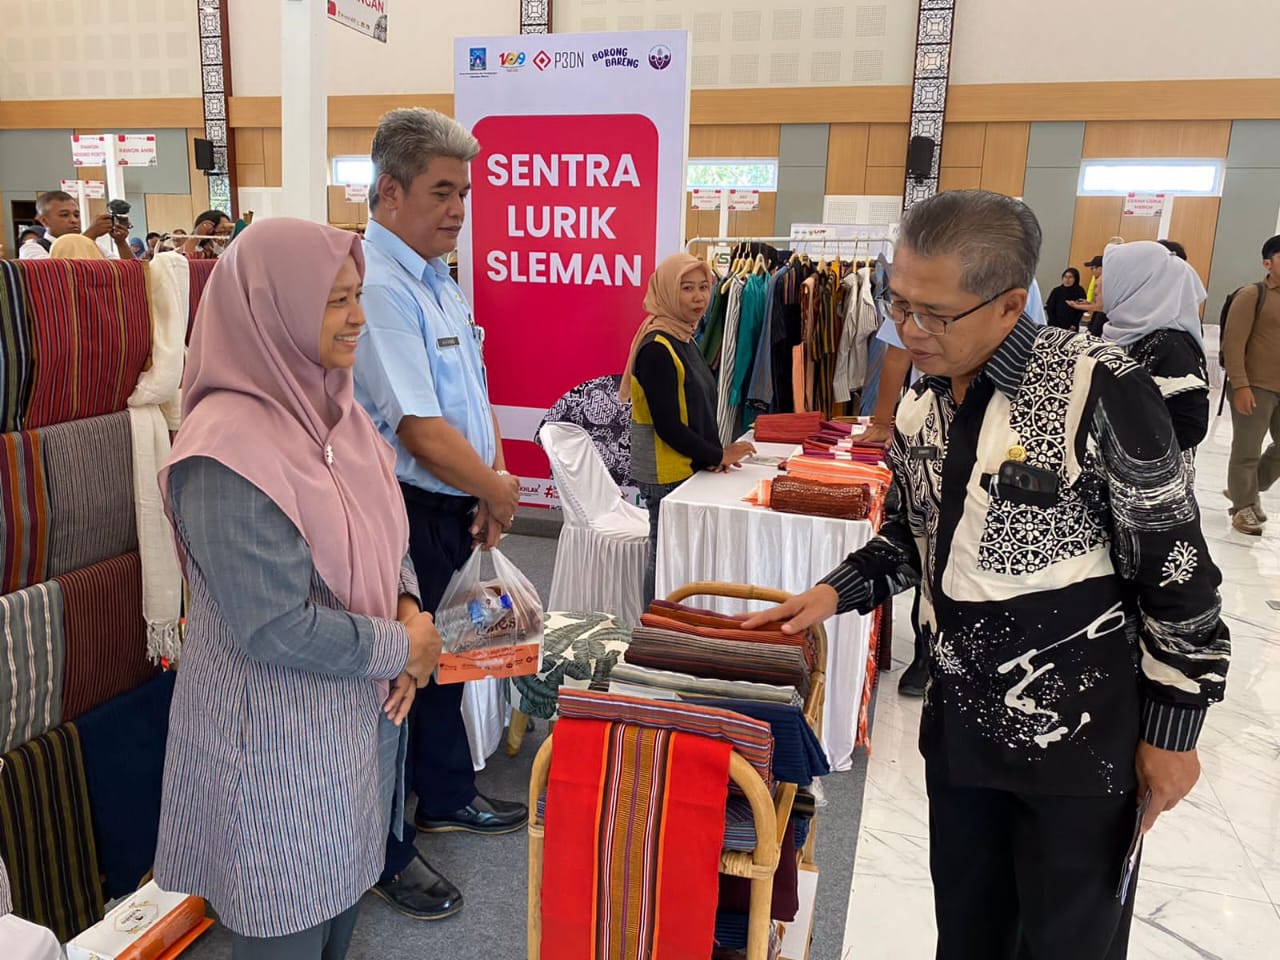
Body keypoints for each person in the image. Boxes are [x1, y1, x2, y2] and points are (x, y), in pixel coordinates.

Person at [743, 190, 1229, 960]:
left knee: (1067, 939)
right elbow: (913, 530)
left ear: (1009, 305)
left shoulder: (1096, 388)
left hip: (1080, 737)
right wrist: (836, 590)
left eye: (934, 313)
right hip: (961, 723)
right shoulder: (921, 401)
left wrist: (1175, 730)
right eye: (896, 301)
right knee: (967, 930)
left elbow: (1177, 571)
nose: (907, 330)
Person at [152, 218, 443, 960]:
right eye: (335, 301)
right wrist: (402, 646)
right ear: (271, 307)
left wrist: (408, 608)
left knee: (340, 913)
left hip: (356, 724)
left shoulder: (340, 415)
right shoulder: (225, 450)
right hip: (275, 747)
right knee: (284, 927)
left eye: (358, 296)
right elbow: (276, 624)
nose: (358, 318)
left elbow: (391, 536)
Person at [352, 107, 528, 922]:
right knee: (401, 671)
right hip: (402, 508)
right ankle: (385, 852)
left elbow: (467, 405)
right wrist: (493, 489)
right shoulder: (381, 286)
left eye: (466, 192)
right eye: (442, 191)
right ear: (389, 192)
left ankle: (447, 794)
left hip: (450, 501)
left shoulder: (436, 277)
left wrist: (485, 486)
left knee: (447, 657)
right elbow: (418, 427)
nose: (459, 209)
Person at [622, 253, 756, 606]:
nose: (699, 298)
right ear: (667, 291)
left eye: (704, 288)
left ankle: (674, 624)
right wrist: (717, 454)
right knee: (665, 552)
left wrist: (712, 455)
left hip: (685, 464)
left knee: (678, 553)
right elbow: (668, 425)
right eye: (687, 289)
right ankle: (655, 627)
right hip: (666, 470)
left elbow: (694, 409)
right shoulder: (658, 347)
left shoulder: (683, 336)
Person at [1101, 241, 1210, 457]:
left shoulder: (1169, 344)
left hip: (1140, 481)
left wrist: (1127, 453)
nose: (1099, 282)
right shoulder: (1126, 331)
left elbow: (1190, 424)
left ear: (1138, 283)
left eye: (1110, 274)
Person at [1223, 234, 1280, 536]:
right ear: (1267, 263)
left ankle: (1244, 489)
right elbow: (1233, 343)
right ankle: (1242, 509)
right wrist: (1241, 385)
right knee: (1247, 450)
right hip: (1255, 385)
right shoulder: (1252, 295)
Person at [20, 190, 134, 260]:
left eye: (76, 215)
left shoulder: (96, 247)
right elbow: (56, 274)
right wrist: (89, 235)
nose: (74, 220)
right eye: (64, 215)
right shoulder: (32, 249)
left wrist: (121, 243)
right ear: (44, 221)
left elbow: (129, 272)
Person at [1069, 254, 1106, 334]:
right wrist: (1087, 302)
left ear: (1100, 268)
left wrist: (1076, 306)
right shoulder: (1103, 279)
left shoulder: (1101, 281)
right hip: (1099, 315)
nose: (1091, 271)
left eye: (1092, 268)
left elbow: (1099, 307)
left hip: (1102, 316)